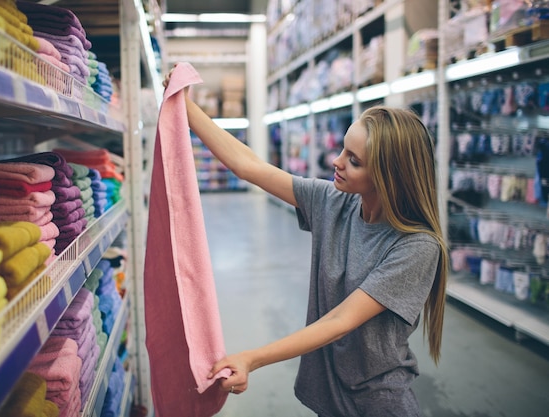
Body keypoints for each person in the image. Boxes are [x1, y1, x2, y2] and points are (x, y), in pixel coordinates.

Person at [163, 66, 449, 417]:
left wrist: (251, 358)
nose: (336, 161)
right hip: (329, 394)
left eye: (354, 161)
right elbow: (249, 166)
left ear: (388, 177)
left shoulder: (416, 247)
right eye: (343, 149)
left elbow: (339, 321)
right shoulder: (336, 202)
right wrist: (186, 106)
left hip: (377, 402)